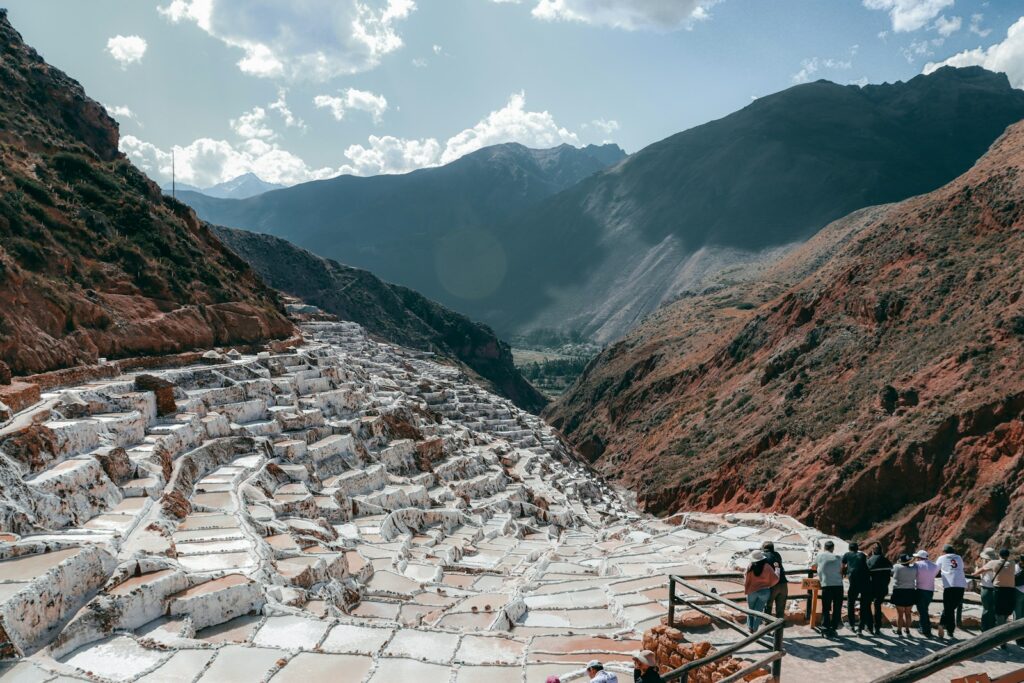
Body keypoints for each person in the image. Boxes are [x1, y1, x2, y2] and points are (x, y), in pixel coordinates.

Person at [935, 544, 967, 639]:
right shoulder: (959, 558)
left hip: (949, 585)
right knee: (952, 608)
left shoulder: (941, 558)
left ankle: (942, 624)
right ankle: (950, 630)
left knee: (948, 608)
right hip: (960, 585)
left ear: (944, 552)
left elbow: (936, 570)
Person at [813, 540, 844, 638]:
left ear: (824, 548)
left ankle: (825, 629)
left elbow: (813, 566)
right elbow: (842, 569)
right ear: (833, 548)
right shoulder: (838, 557)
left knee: (826, 608)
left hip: (826, 585)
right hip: (839, 585)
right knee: (837, 607)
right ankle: (834, 628)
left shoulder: (820, 556)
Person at [744, 550, 779, 633]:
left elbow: (746, 577)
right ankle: (755, 629)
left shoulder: (750, 566)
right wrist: (777, 568)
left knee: (750, 609)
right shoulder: (767, 567)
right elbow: (775, 579)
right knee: (758, 611)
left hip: (752, 591)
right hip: (764, 592)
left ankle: (750, 628)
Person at [842, 541, 870, 633]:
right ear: (857, 548)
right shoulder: (862, 555)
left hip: (854, 582)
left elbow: (842, 566)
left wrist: (843, 573)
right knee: (864, 604)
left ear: (849, 549)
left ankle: (852, 624)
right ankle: (861, 627)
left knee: (851, 602)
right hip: (865, 582)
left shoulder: (847, 555)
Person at [865, 543, 892, 635]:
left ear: (873, 551)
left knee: (867, 605)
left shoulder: (869, 561)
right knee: (878, 606)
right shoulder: (886, 561)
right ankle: (877, 627)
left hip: (871, 588)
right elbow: (889, 576)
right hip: (883, 588)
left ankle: (869, 626)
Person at [913, 549, 940, 637]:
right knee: (925, 609)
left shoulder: (917, 565)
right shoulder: (934, 566)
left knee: (922, 610)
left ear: (919, 558)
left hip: (920, 589)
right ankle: (925, 627)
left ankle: (925, 629)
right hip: (930, 590)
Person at [977, 546, 1004, 631]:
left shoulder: (986, 565)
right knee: (992, 610)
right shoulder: (998, 563)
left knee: (986, 609)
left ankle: (984, 628)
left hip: (986, 588)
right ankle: (991, 628)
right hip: (996, 589)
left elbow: (977, 573)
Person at [891, 553, 918, 637]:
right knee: (908, 613)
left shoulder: (896, 567)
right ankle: (907, 630)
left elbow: (892, 570)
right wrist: (912, 560)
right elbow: (914, 563)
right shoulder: (914, 569)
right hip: (910, 591)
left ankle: (899, 631)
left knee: (900, 614)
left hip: (899, 591)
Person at [762, 541, 789, 621]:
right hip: (783, 584)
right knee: (780, 608)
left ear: (764, 548)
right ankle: (779, 629)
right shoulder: (777, 555)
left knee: (768, 606)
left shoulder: (763, 556)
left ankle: (767, 626)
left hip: (772, 585)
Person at [1015, 554, 1024, 647]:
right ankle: (1019, 636)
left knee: (1019, 614)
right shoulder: (1017, 567)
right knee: (1019, 615)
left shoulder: (1017, 567)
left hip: (1018, 592)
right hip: (1019, 592)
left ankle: (1019, 636)